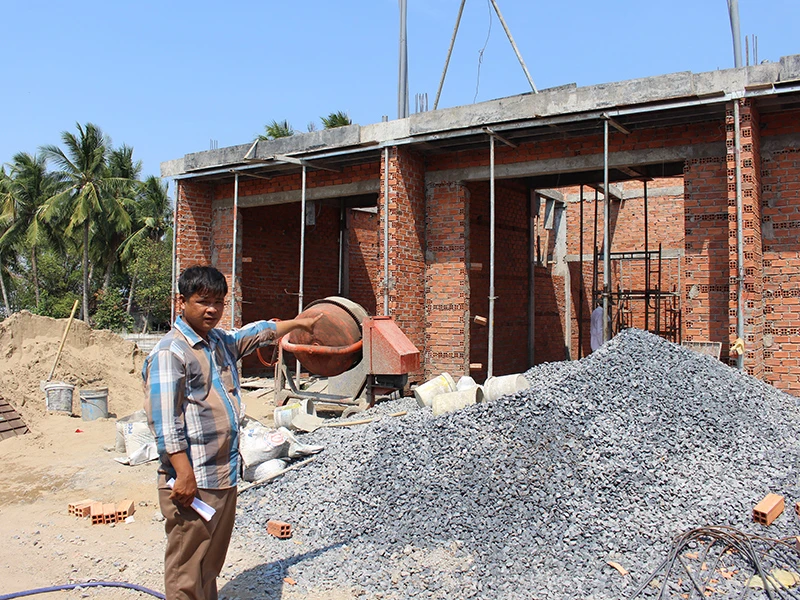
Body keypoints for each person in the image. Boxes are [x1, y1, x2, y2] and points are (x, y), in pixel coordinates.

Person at [143, 265, 321, 600]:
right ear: (181, 301)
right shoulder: (171, 352)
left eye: (218, 302)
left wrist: (299, 324)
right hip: (193, 478)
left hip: (222, 474)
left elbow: (260, 331)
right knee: (186, 567)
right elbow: (165, 421)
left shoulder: (219, 342)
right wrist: (183, 474)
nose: (211, 309)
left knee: (209, 563)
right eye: (202, 301)